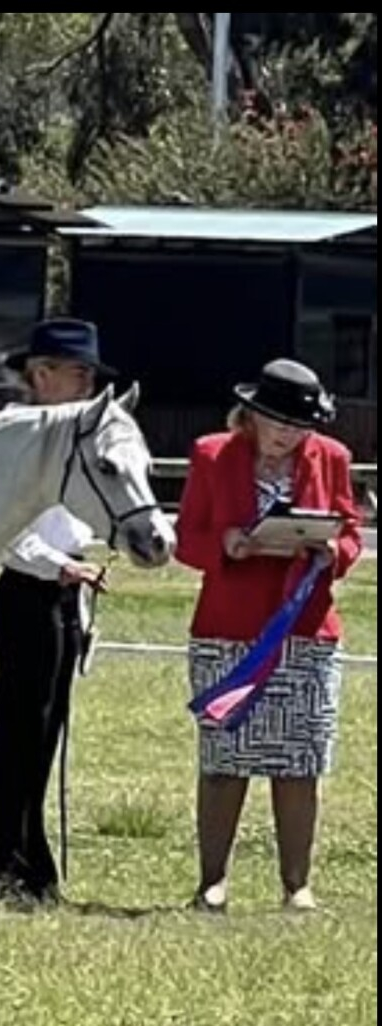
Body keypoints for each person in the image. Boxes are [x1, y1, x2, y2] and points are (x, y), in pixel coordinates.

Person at [175, 358, 363, 913]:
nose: (288, 434)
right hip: (228, 630)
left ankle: (296, 884)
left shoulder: (333, 458)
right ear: (252, 414)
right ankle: (212, 881)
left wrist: (332, 549)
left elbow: (350, 532)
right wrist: (226, 543)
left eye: (300, 426)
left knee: (299, 762)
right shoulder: (212, 455)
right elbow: (187, 537)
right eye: (278, 422)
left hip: (304, 630)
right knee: (223, 759)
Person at [0, 317, 112, 908]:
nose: (86, 384)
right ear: (41, 375)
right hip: (28, 587)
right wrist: (59, 565)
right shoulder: (13, 437)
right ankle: (3, 867)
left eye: (89, 374)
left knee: (45, 734)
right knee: (17, 733)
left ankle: (36, 869)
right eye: (77, 373)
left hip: (68, 586)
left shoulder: (77, 437)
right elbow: (3, 530)